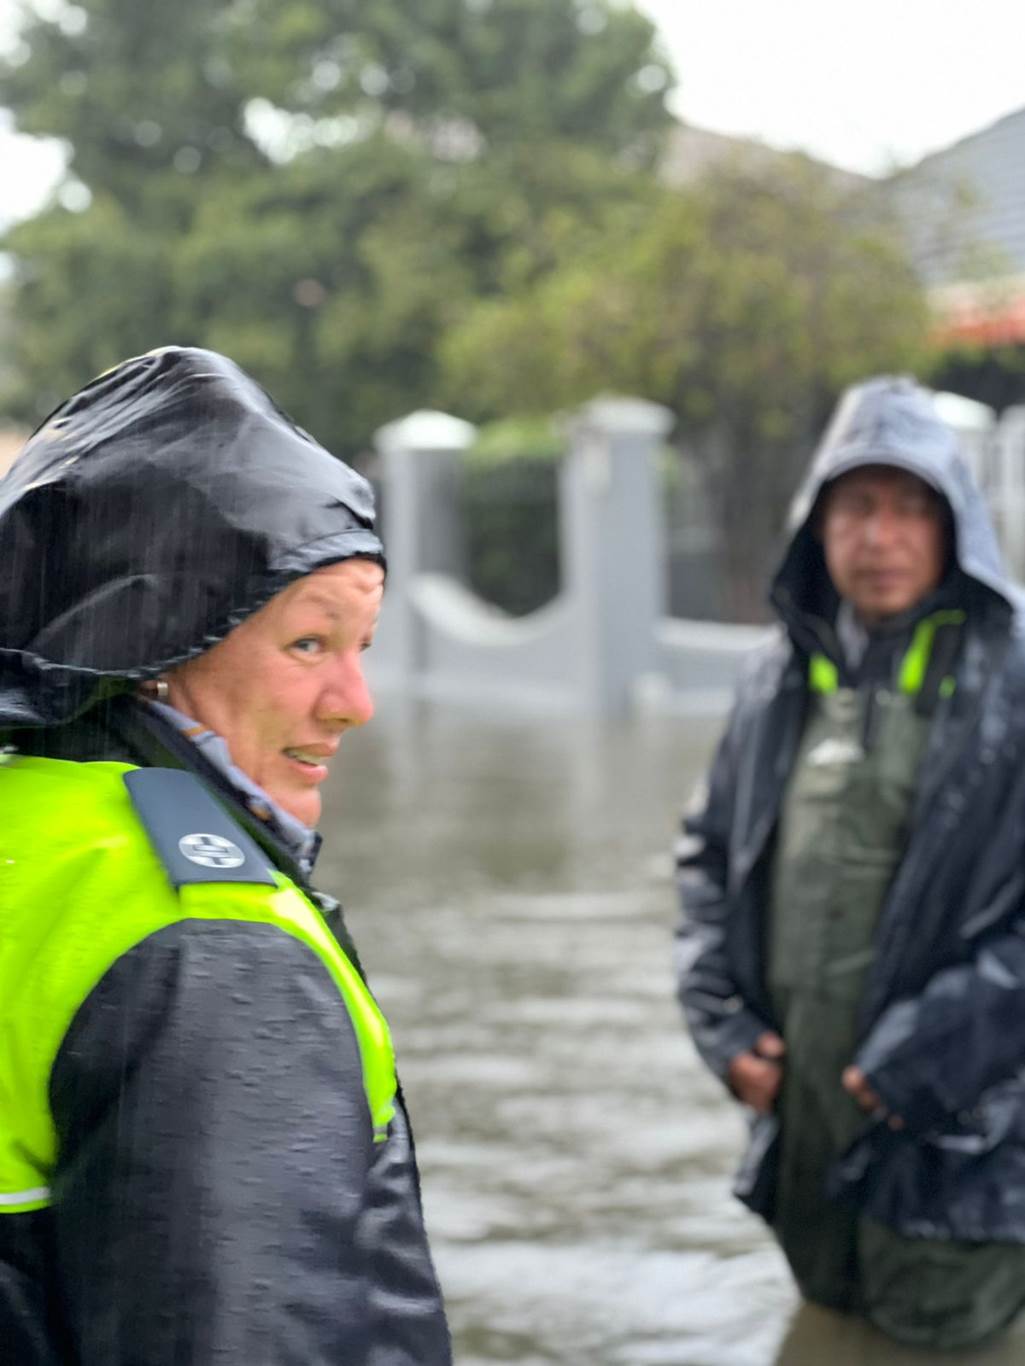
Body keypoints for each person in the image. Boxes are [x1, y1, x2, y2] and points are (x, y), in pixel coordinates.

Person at [0, 347, 452, 1364]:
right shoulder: (212, 947)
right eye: (307, 644)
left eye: (360, 647)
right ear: (154, 641)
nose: (354, 703)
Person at [675, 375, 1025, 1350]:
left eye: (907, 508)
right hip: (805, 1131)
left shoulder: (1012, 674)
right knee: (825, 1318)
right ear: (816, 523)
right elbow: (705, 857)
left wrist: (934, 1048)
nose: (877, 537)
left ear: (953, 522)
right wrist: (719, 1022)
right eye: (855, 507)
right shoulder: (773, 676)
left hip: (966, 1143)